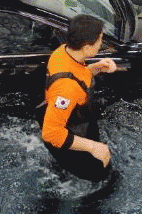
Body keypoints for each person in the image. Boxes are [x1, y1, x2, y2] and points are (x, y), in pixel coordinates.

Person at [40, 14, 117, 181]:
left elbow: (75, 75)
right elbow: (51, 133)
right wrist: (93, 147)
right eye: (100, 40)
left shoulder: (63, 52)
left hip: (74, 121)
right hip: (69, 134)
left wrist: (96, 68)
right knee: (101, 177)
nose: (101, 44)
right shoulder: (66, 89)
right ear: (87, 47)